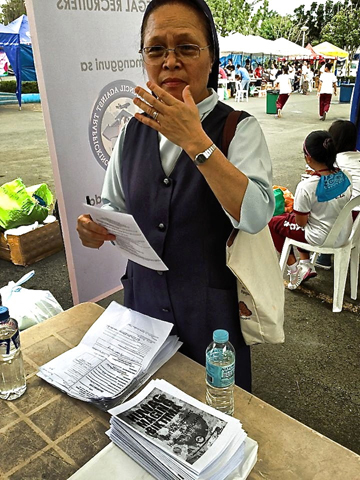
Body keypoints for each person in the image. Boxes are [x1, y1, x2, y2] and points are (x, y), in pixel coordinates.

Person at [76, 0, 274, 392]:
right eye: (156, 49)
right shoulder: (132, 131)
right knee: (145, 411)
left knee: (214, 419)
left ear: (212, 56)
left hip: (211, 318)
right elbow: (113, 204)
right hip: (143, 303)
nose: (170, 61)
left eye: (186, 47)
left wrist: (196, 142)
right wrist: (94, 228)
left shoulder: (239, 129)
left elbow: (254, 215)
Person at [269, 131, 352, 290]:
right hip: (344, 234)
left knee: (274, 223)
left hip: (321, 237)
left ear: (308, 158)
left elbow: (301, 223)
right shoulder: (345, 175)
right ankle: (306, 264)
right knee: (294, 218)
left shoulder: (307, 186)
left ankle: (294, 270)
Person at [316, 120, 360, 270]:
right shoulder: (357, 156)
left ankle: (323, 256)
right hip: (357, 223)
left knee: (320, 202)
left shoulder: (335, 161)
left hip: (345, 220)